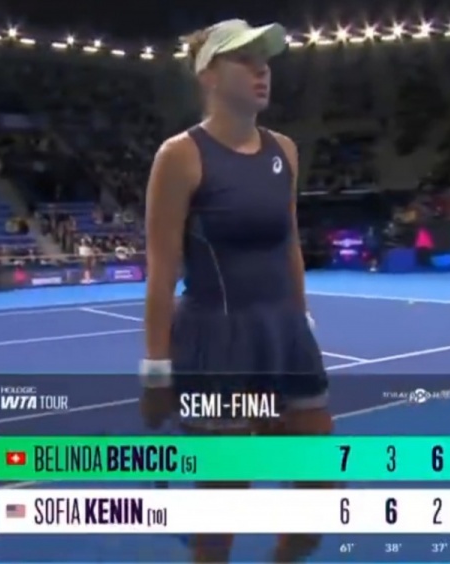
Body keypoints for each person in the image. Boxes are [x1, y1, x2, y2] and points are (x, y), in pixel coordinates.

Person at [140, 19, 332, 562]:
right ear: (208, 74)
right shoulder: (180, 156)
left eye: (264, 59)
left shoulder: (285, 151)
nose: (261, 70)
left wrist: (302, 323)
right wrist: (155, 371)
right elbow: (161, 270)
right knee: (222, 516)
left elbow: (290, 245)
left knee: (319, 495)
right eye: (244, 60)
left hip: (286, 338)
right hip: (217, 344)